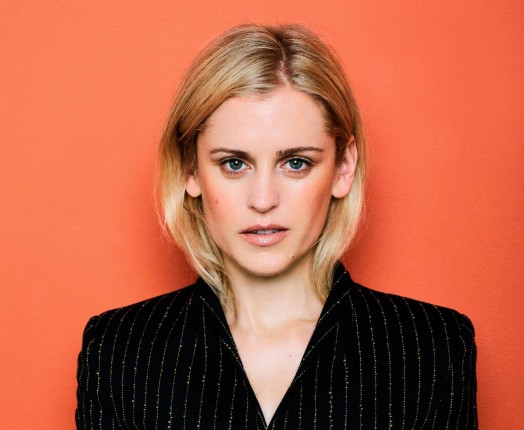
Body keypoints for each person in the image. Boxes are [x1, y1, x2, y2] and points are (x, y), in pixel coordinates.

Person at [76, 24, 477, 429]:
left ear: (343, 167)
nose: (264, 199)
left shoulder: (432, 349)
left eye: (296, 163)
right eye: (234, 164)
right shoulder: (118, 352)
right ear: (189, 169)